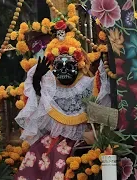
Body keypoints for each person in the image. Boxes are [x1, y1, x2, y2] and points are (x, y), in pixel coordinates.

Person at [13, 20, 111, 179]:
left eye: (69, 64)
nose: (64, 69)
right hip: (52, 143)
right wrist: (37, 84)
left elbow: (103, 103)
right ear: (53, 67)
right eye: (59, 65)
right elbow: (38, 113)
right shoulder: (49, 88)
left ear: (78, 65)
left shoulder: (88, 85)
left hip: (83, 142)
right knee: (37, 153)